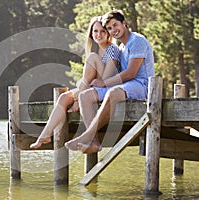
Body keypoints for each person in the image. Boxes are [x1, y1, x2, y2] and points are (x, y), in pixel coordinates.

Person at [65, 9, 155, 153]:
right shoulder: (121, 47)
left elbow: (131, 73)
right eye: (109, 28)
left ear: (124, 23)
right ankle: (93, 142)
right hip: (126, 85)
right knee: (85, 96)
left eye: (115, 25)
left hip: (142, 85)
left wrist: (104, 82)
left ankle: (86, 135)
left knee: (113, 92)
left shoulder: (137, 41)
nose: (113, 30)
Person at [30, 16, 121, 149]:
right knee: (63, 98)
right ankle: (45, 134)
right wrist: (80, 94)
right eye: (95, 31)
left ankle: (80, 103)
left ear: (108, 32)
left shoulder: (112, 49)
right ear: (91, 33)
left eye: (103, 31)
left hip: (107, 88)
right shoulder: (94, 50)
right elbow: (86, 79)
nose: (99, 35)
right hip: (90, 88)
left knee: (92, 58)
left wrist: (80, 96)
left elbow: (106, 79)